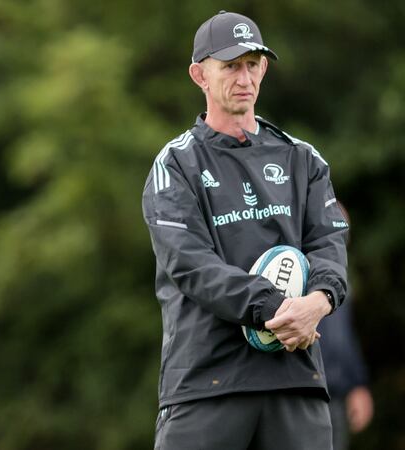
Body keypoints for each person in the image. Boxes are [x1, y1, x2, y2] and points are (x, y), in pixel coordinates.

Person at [142, 11, 349, 450]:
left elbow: (329, 242)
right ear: (199, 75)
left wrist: (319, 301)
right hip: (207, 383)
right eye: (231, 65)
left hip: (295, 380)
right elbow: (190, 264)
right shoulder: (176, 163)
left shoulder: (302, 158)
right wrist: (275, 307)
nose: (244, 77)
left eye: (252, 64)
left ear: (264, 69)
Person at [319, 202, 374, 450]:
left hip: (336, 398)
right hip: (304, 396)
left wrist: (357, 384)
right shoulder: (295, 278)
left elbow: (345, 339)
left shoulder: (342, 285)